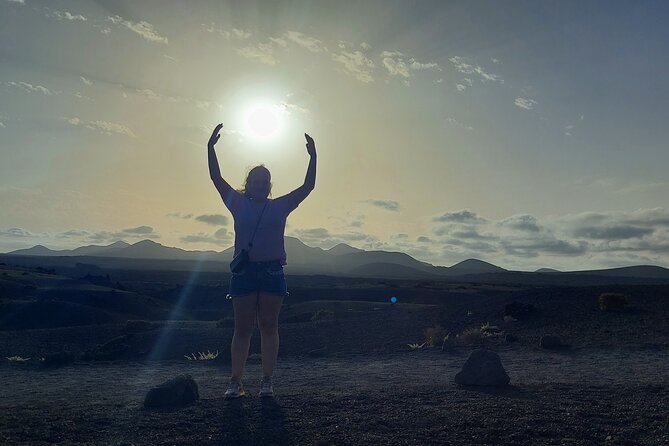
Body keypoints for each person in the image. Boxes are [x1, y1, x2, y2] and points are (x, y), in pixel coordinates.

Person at [207, 123, 317, 398]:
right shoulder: (237, 202)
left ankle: (267, 381)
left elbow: (308, 186)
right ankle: (236, 381)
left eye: (264, 181)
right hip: (244, 273)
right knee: (242, 328)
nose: (260, 185)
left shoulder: (280, 205)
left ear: (269, 185)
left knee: (269, 326)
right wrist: (210, 149)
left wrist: (313, 157)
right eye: (256, 181)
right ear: (248, 184)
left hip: (271, 272)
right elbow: (216, 178)